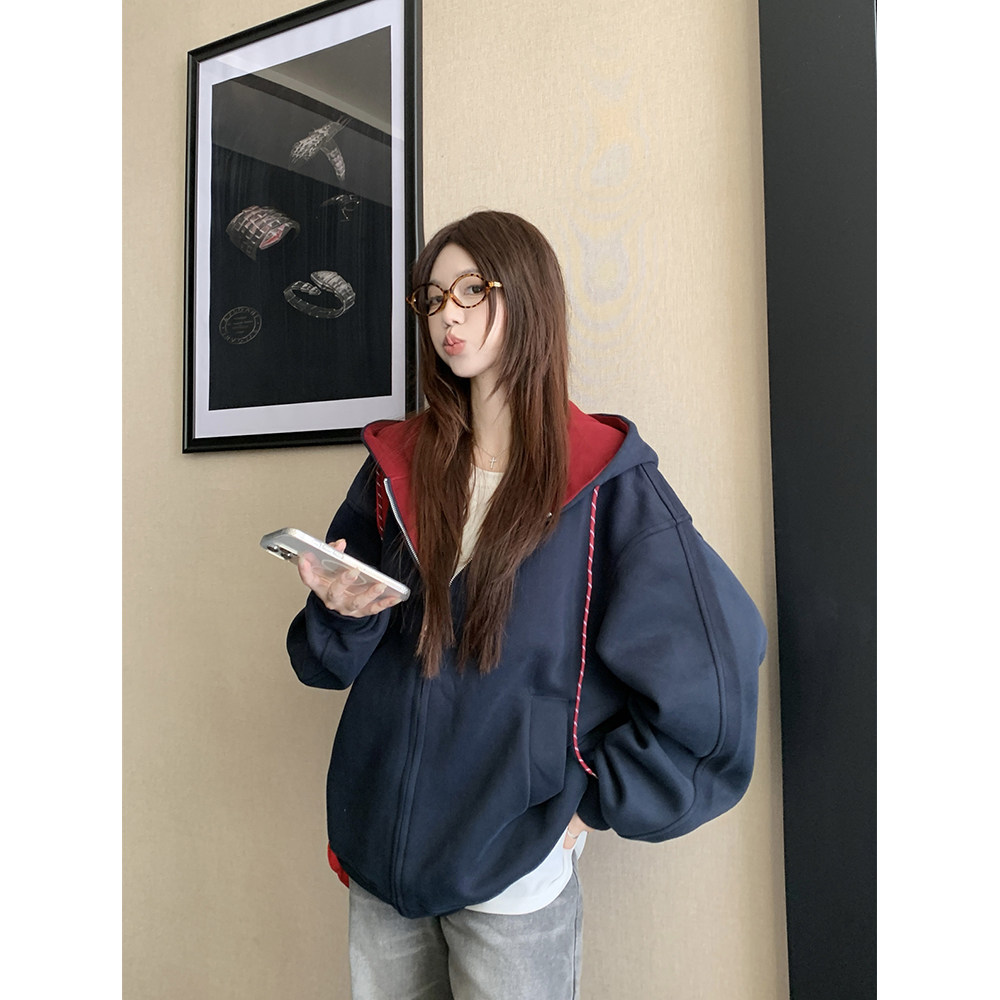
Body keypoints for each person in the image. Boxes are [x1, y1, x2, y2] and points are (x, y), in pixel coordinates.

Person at [285, 210, 767, 1000]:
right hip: (379, 858)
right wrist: (340, 611)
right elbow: (325, 666)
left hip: (513, 873)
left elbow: (712, 674)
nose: (448, 315)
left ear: (529, 295)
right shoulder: (394, 467)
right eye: (433, 298)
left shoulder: (606, 482)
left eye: (472, 290)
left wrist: (591, 806)